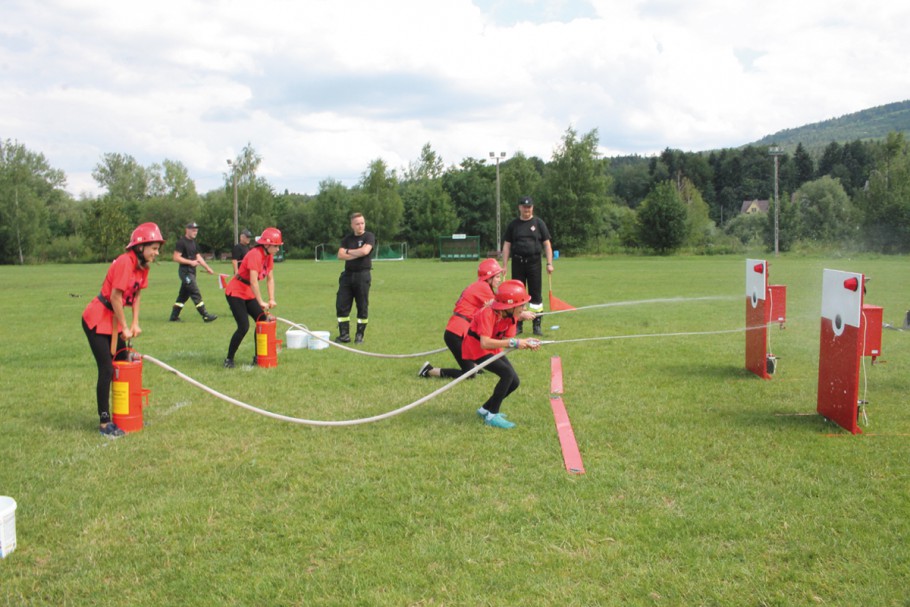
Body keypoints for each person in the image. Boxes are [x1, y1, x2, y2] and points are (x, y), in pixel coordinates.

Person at [82, 223, 165, 438]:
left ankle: (125, 413)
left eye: (157, 248)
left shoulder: (143, 267)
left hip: (113, 320)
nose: (157, 252)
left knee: (126, 360)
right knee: (107, 369)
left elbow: (136, 296)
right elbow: (115, 297)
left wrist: (135, 323)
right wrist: (125, 327)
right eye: (154, 248)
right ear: (140, 247)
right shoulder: (124, 263)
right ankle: (104, 422)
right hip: (97, 318)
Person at [418, 258, 534, 379]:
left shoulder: (482, 286)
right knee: (470, 374)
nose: (499, 280)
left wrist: (522, 309)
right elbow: (502, 307)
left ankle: (473, 366)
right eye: (497, 277)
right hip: (457, 333)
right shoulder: (483, 288)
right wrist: (522, 315)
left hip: (460, 330)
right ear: (489, 277)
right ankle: (429, 371)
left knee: (477, 366)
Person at [461, 280, 541, 429]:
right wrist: (516, 343)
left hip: (492, 347)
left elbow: (506, 340)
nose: (524, 308)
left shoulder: (512, 317)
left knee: (514, 381)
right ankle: (492, 415)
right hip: (476, 348)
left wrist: (525, 342)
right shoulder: (488, 313)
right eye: (521, 305)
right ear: (510, 306)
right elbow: (484, 342)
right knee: (507, 374)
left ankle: (484, 410)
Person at [223, 227, 283, 368]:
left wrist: (271, 298)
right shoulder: (255, 254)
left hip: (248, 292)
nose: (278, 249)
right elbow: (254, 281)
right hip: (236, 291)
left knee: (262, 320)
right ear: (266, 245)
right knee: (243, 326)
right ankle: (229, 359)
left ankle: (259, 356)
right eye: (276, 246)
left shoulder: (269, 257)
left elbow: (270, 279)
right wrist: (261, 301)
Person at [501, 196, 554, 336]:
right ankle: (518, 324)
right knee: (517, 295)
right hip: (518, 263)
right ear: (519, 208)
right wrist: (504, 265)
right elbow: (507, 245)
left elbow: (547, 244)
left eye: (529, 207)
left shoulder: (539, 223)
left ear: (532, 207)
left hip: (534, 263)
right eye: (524, 207)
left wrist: (549, 263)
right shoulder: (513, 225)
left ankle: (537, 325)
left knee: (535, 294)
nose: (527, 210)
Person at [335, 212, 375, 344]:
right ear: (352, 225)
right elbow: (340, 255)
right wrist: (355, 252)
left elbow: (365, 251)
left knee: (362, 306)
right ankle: (344, 335)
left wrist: (348, 251)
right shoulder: (347, 239)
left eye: (362, 223)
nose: (360, 226)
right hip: (347, 275)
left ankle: (359, 336)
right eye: (357, 224)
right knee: (342, 305)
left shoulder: (369, 236)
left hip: (362, 275)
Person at [169, 222, 218, 322]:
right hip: (185, 272)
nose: (195, 232)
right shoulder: (181, 242)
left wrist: (207, 268)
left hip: (192, 272)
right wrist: (190, 262)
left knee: (183, 295)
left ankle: (174, 317)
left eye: (196, 230)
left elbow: (198, 257)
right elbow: (176, 257)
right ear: (187, 230)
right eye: (193, 230)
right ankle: (205, 315)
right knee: (195, 292)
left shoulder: (194, 243)